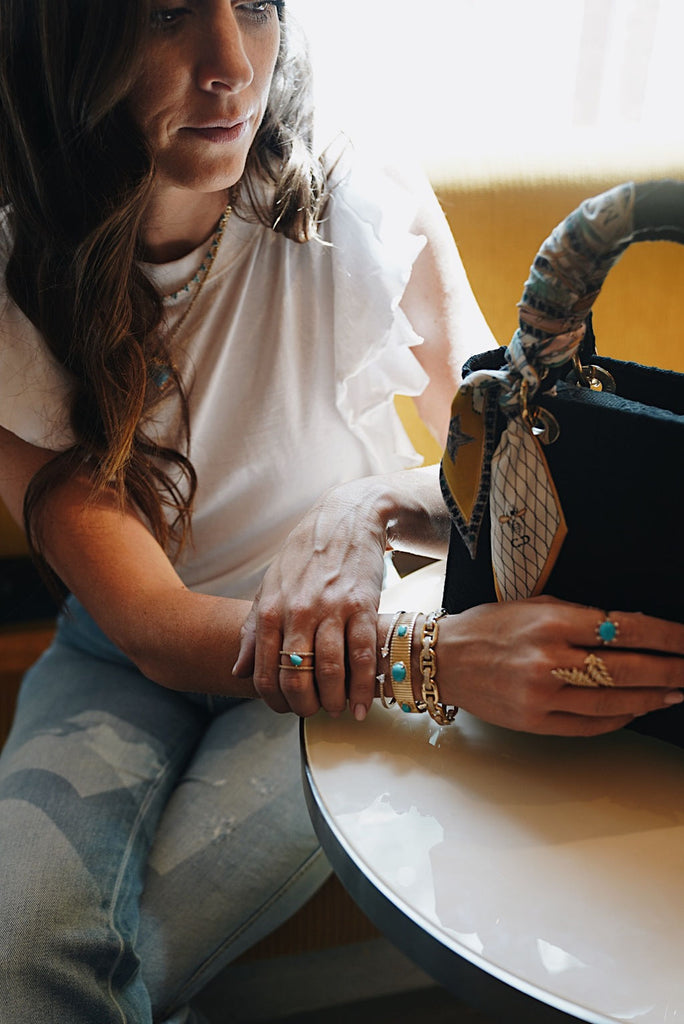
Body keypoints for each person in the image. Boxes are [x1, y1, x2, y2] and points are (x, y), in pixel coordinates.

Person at [1, 3, 683, 1024]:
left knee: (56, 984)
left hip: (342, 659)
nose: (232, 63)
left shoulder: (363, 196)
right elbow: (148, 620)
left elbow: (500, 472)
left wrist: (358, 509)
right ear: (63, 43)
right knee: (29, 962)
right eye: (170, 14)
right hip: (127, 659)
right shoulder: (17, 283)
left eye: (256, 9)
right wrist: (440, 661)